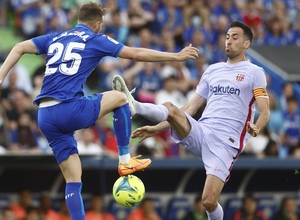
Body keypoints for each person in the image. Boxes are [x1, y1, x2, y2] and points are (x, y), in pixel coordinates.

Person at [0, 2, 199, 220]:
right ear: (97, 24)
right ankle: (125, 161)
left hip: (45, 116)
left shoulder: (55, 37)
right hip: (68, 109)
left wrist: (0, 77)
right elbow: (136, 53)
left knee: (73, 180)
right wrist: (176, 56)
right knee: (121, 98)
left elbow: (19, 46)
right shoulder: (95, 39)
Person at [114, 21, 270, 220]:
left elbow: (265, 111)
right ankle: (134, 106)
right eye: (227, 36)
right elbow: (189, 109)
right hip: (201, 131)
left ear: (246, 44)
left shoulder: (254, 72)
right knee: (171, 107)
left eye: (235, 37)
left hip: (225, 144)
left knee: (208, 201)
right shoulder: (213, 70)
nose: (229, 41)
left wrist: (257, 127)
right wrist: (157, 128)